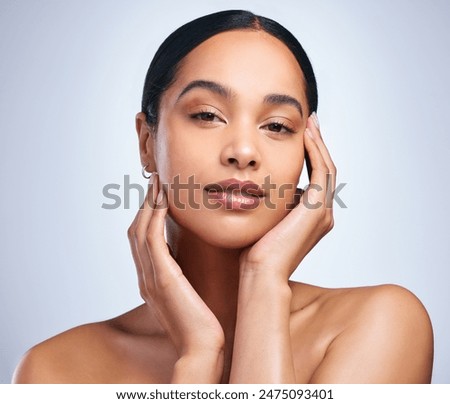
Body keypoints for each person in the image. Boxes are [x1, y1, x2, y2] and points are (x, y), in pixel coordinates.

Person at [12, 9, 433, 384]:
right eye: (208, 115)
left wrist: (264, 278)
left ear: (309, 154)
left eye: (277, 126)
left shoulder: (380, 325)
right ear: (146, 140)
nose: (244, 152)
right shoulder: (56, 371)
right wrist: (198, 356)